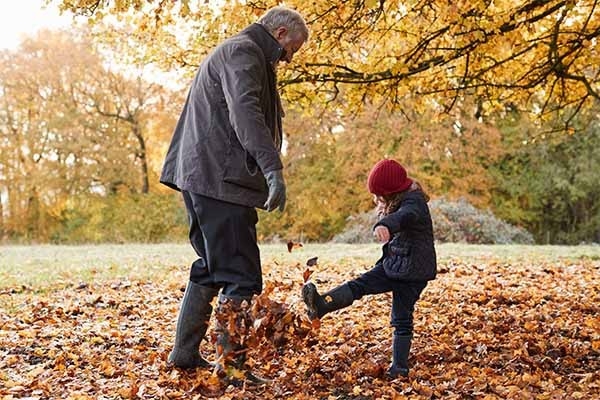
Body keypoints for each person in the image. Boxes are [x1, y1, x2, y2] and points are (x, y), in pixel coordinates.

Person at [159, 6, 309, 382]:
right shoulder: (243, 53)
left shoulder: (239, 52)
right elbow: (246, 112)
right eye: (291, 49)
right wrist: (272, 168)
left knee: (213, 267)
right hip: (221, 182)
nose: (290, 59)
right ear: (278, 33)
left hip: (203, 177)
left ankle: (184, 352)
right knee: (241, 276)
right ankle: (232, 369)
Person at [302, 159, 437, 378]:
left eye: (378, 195)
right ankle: (320, 305)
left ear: (391, 192)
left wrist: (385, 225)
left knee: (401, 317)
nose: (375, 199)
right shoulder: (401, 200)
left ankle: (399, 369)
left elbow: (404, 217)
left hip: (411, 272)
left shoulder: (414, 203)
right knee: (361, 285)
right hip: (398, 264)